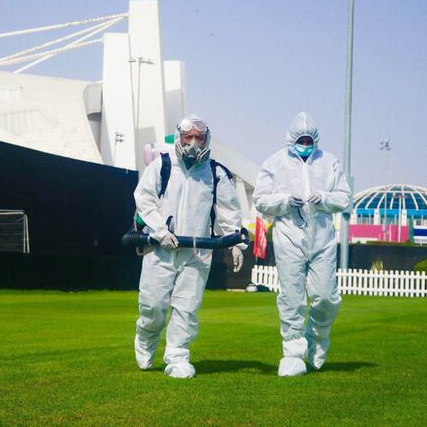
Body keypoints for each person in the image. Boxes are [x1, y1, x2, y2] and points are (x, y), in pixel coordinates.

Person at [133, 114, 246, 378]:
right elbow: (144, 199)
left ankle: (177, 356)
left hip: (197, 252)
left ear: (206, 139)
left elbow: (228, 211)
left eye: (199, 137)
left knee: (186, 307)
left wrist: (235, 243)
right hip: (161, 249)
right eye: (188, 137)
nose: (194, 142)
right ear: (180, 137)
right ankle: (145, 337)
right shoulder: (162, 165)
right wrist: (160, 230)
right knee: (153, 306)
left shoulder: (216, 173)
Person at [253, 112, 351, 376]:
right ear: (291, 139)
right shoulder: (274, 163)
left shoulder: (329, 162)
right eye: (301, 140)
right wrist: (284, 200)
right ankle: (293, 354)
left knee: (327, 297)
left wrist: (324, 198)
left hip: (322, 238)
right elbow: (260, 200)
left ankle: (317, 337)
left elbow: (344, 198)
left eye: (308, 140)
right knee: (292, 297)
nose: (305, 145)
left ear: (315, 139)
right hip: (289, 236)